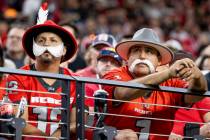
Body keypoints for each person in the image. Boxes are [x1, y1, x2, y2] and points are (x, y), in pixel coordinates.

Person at [102, 28, 207, 140]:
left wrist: (198, 76)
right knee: (128, 136)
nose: (142, 56)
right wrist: (168, 73)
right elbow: (123, 93)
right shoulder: (114, 74)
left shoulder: (171, 82)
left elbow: (196, 95)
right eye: (136, 50)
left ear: (159, 61)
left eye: (149, 51)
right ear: (127, 58)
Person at [3, 4, 79, 139]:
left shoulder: (76, 81)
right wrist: (51, 138)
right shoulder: (18, 77)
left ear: (64, 50)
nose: (46, 44)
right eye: (41, 41)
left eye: (53, 41)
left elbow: (78, 124)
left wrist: (59, 135)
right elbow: (20, 123)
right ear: (33, 48)